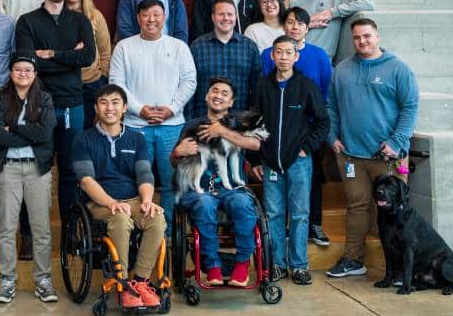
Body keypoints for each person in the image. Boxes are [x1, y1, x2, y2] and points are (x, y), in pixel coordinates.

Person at [326, 18, 419, 280]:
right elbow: (331, 106)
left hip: (388, 157)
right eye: (356, 38)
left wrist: (396, 142)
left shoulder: (398, 68)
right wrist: (332, 137)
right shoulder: (342, 70)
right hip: (352, 156)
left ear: (377, 37)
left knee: (394, 208)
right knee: (357, 206)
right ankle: (353, 259)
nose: (362, 41)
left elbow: (410, 107)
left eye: (367, 36)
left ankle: (401, 267)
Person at [72, 85, 166, 310]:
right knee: (120, 219)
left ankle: (141, 281)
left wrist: (146, 200)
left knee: (156, 218)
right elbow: (86, 181)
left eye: (115, 102)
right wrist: (111, 203)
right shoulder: (83, 140)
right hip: (99, 203)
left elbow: (144, 173)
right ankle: (123, 283)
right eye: (103, 102)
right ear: (95, 108)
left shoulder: (137, 138)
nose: (109, 108)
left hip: (133, 199)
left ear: (124, 108)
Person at [15, 0, 96, 222]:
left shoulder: (80, 21)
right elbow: (29, 64)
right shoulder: (27, 21)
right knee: (36, 169)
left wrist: (52, 54)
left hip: (73, 105)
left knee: (72, 171)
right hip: (38, 105)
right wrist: (69, 56)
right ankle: (30, 234)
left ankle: (71, 232)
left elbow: (88, 58)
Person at [111, 0, 196, 225]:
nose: (151, 19)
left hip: (172, 125)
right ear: (138, 18)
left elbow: (189, 81)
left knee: (171, 182)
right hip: (135, 127)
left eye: (156, 14)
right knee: (136, 181)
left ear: (164, 16)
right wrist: (141, 110)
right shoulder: (124, 47)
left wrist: (172, 109)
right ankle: (140, 229)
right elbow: (117, 84)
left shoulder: (178, 47)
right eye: (146, 15)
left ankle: (166, 232)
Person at [255, 35, 330, 285]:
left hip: (298, 163)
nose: (284, 57)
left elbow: (322, 122)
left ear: (296, 56)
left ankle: (299, 265)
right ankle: (277, 263)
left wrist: (305, 148)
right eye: (279, 52)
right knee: (274, 213)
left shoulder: (307, 86)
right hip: (270, 163)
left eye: (289, 52)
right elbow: (252, 123)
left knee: (299, 214)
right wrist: (257, 157)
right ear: (272, 56)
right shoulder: (262, 86)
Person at [171, 77, 260, 288]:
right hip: (200, 189)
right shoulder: (192, 125)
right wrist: (176, 153)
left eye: (224, 93)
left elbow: (255, 144)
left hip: (232, 189)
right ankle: (213, 267)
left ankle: (241, 266)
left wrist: (221, 131)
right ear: (206, 96)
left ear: (231, 102)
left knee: (243, 204)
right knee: (204, 204)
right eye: (214, 91)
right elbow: (176, 162)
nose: (218, 96)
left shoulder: (239, 124)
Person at [0, 56, 57, 303]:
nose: (23, 73)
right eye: (18, 69)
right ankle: (7, 280)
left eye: (28, 69)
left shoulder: (44, 99)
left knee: (41, 229)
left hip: (37, 170)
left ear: (35, 73)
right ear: (10, 72)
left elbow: (45, 133)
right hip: (8, 169)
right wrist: (30, 134)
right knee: (7, 228)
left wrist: (14, 128)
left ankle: (43, 280)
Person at [189, 0, 261, 115]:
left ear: (236, 17)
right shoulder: (197, 46)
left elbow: (257, 86)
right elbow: (190, 85)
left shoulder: (250, 47)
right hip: (203, 119)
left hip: (239, 119)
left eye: (230, 14)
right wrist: (190, 121)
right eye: (221, 14)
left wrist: (251, 119)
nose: (226, 18)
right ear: (213, 17)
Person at [65, 0, 111, 129]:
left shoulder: (95, 16)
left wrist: (102, 75)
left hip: (92, 82)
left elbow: (105, 49)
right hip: (66, 83)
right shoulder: (56, 16)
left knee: (92, 128)